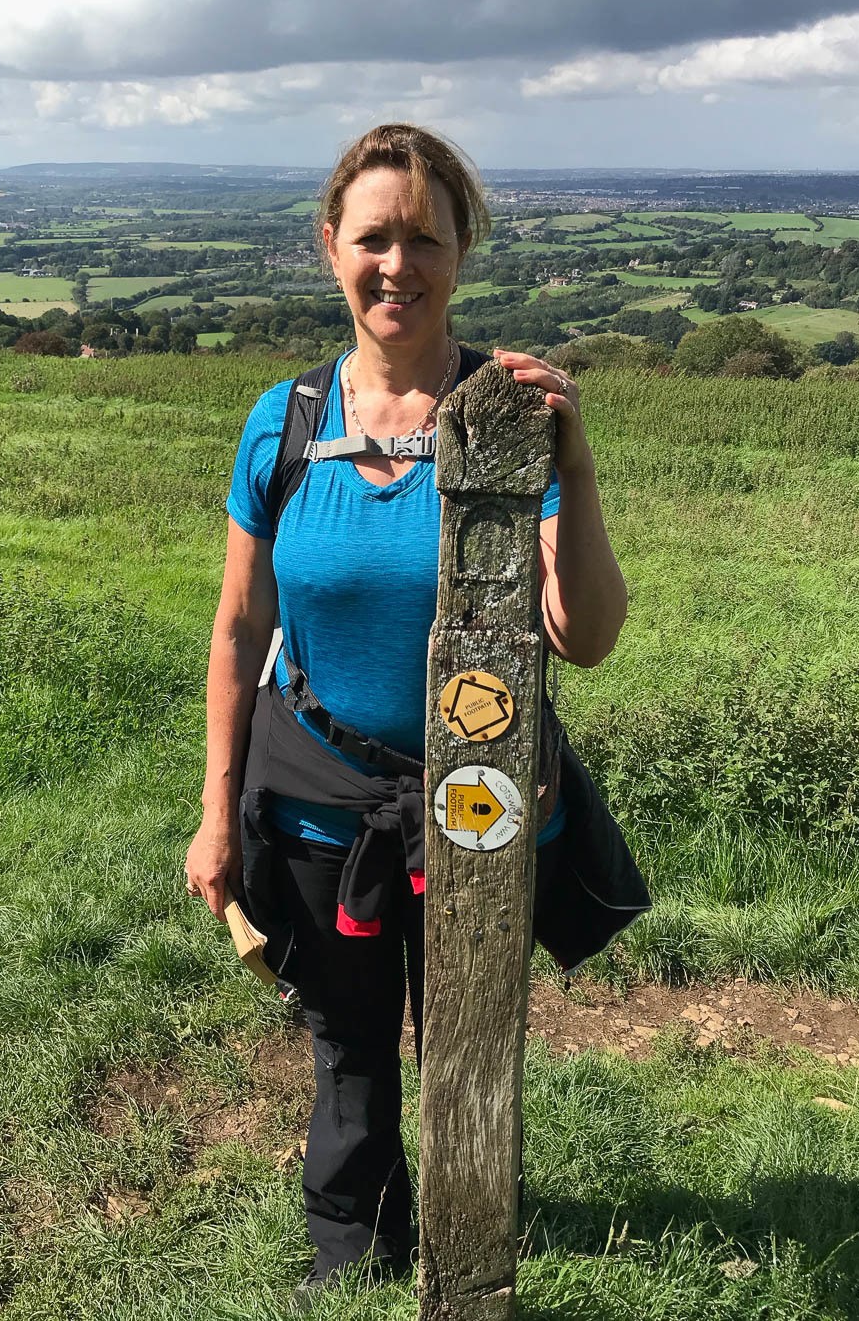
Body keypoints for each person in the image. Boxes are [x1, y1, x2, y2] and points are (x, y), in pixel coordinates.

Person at [184, 123, 632, 1292]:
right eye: (373, 237)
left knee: (471, 1042)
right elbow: (240, 628)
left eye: (423, 238)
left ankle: (471, 1253)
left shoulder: (505, 415)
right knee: (347, 1044)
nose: (398, 264)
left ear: (462, 250)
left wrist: (574, 470)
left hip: (477, 806)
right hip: (320, 800)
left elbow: (584, 638)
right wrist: (215, 811)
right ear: (330, 247)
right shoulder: (282, 424)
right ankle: (353, 1256)